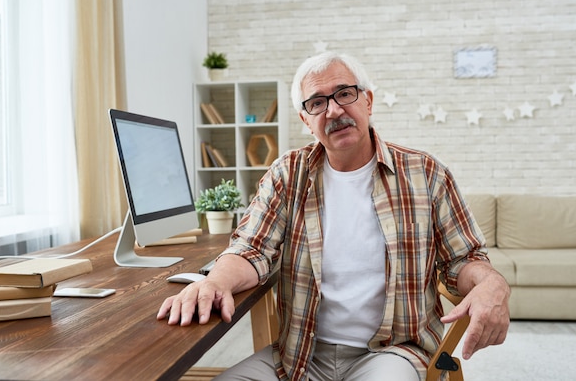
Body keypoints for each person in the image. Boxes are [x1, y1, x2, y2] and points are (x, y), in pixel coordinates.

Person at [157, 51, 511, 381]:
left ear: (368, 101)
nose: (333, 111)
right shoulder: (287, 175)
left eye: (345, 94)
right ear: (306, 120)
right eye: (317, 103)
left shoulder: (426, 173)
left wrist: (491, 283)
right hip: (299, 355)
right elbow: (252, 249)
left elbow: (463, 260)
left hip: (394, 352)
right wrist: (215, 283)